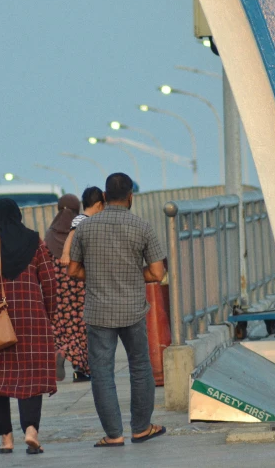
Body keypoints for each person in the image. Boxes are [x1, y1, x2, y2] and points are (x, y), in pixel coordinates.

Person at [69, 173, 166, 447]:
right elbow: (158, 272)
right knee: (139, 366)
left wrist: (99, 274)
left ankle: (114, 435)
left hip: (99, 311)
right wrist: (134, 274)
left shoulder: (86, 228)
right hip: (133, 309)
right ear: (131, 196)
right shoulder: (142, 226)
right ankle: (141, 429)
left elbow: (73, 269)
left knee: (101, 371)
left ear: (103, 197)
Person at [0, 198, 57, 455]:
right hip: (32, 317)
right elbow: (49, 281)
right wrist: (48, 313)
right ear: (18, 215)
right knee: (31, 373)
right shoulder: (35, 241)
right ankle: (31, 431)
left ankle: (6, 439)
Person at [47, 190, 104, 383]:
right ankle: (81, 369)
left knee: (61, 326)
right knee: (81, 327)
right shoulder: (81, 229)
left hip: (57, 292)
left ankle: (60, 352)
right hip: (79, 287)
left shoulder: (49, 235)